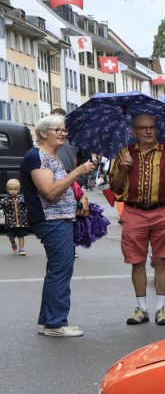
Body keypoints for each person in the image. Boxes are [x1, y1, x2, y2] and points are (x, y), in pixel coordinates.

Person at [20, 114, 97, 337]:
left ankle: (47, 321)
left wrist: (79, 198)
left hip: (60, 218)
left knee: (57, 270)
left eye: (64, 130)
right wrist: (78, 171)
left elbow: (62, 187)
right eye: (58, 130)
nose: (63, 134)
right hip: (52, 220)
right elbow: (50, 192)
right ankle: (55, 324)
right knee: (60, 271)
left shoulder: (50, 156)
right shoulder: (37, 157)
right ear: (44, 133)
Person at [108, 112, 165, 327]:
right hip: (134, 212)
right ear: (134, 131)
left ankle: (161, 308)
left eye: (152, 127)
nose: (149, 131)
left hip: (163, 211)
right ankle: (141, 308)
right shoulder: (125, 153)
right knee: (136, 261)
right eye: (143, 128)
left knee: (160, 260)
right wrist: (123, 169)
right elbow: (115, 188)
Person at [2, 178, 29, 255]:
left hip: (22, 222)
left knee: (21, 235)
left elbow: (29, 204)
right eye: (10, 189)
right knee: (11, 236)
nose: (13, 191)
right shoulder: (5, 200)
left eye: (15, 189)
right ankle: (13, 243)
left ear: (19, 189)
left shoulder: (22, 199)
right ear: (7, 189)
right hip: (10, 223)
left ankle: (21, 248)